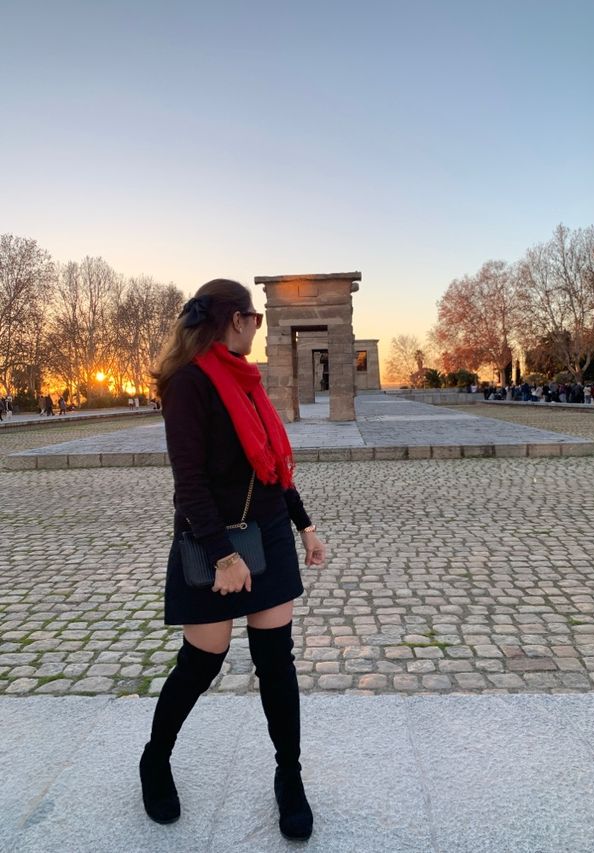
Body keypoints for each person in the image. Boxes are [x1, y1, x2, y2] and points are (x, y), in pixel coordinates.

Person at [140, 278, 326, 840]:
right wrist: (223, 556)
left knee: (277, 662)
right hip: (209, 539)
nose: (257, 328)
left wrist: (305, 525)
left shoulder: (247, 380)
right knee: (202, 663)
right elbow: (189, 482)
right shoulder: (189, 384)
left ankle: (288, 777)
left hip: (266, 530)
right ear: (234, 319)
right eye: (256, 318)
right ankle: (155, 760)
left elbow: (269, 466)